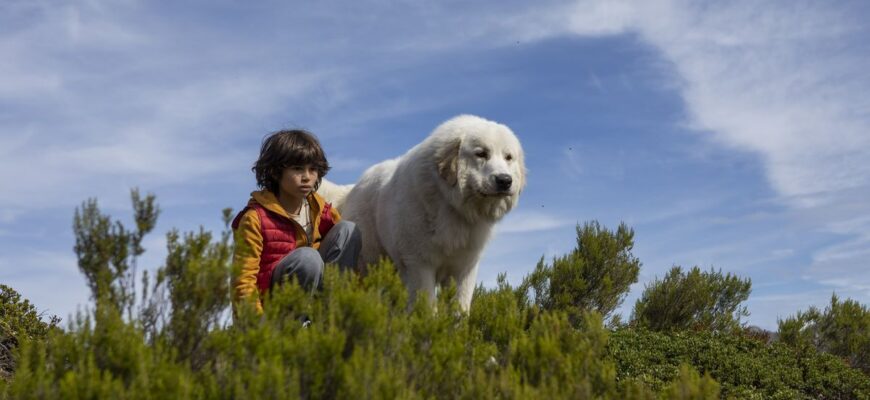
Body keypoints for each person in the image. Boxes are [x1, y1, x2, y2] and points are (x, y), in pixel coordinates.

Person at [231, 129, 361, 316]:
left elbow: (348, 261)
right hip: (274, 310)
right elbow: (243, 281)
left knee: (349, 230)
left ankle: (335, 317)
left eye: (313, 169)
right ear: (276, 172)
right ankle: (296, 328)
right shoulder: (254, 218)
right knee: (308, 258)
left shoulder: (320, 210)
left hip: (316, 299)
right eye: (298, 169)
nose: (307, 177)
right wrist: (256, 326)